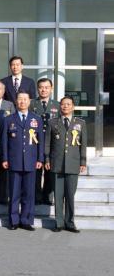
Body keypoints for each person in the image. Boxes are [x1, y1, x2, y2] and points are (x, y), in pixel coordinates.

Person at [1, 91, 44, 231]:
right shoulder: (9, 119)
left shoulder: (36, 119)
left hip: (31, 161)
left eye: (25, 99)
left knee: (29, 193)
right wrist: (5, 158)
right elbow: (4, 142)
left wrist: (40, 158)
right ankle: (13, 220)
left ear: (29, 102)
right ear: (16, 102)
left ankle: (26, 220)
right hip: (14, 161)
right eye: (20, 99)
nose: (22, 102)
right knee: (14, 193)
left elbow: (41, 142)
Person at [45, 96, 87, 233]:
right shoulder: (53, 123)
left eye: (68, 104)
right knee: (58, 195)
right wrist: (46, 160)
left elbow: (83, 145)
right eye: (63, 104)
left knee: (70, 194)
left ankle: (70, 223)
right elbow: (47, 144)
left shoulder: (80, 123)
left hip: (73, 164)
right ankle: (59, 222)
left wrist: (83, 162)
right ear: (59, 107)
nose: (65, 107)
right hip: (56, 163)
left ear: (73, 107)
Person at [29, 78, 60, 205]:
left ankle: (48, 197)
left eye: (47, 87)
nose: (44, 90)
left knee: (49, 170)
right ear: (37, 89)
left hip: (51, 142)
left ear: (51, 89)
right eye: (41, 87)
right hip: (35, 141)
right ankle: (36, 196)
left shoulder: (57, 105)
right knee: (36, 171)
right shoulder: (31, 104)